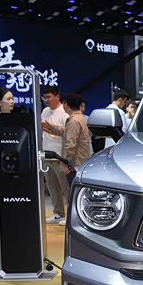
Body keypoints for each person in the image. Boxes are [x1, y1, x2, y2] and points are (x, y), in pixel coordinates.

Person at [59, 93, 91, 225]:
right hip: (81, 161)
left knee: (72, 192)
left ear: (66, 104)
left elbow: (70, 145)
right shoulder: (80, 118)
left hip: (75, 163)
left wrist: (66, 163)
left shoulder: (73, 121)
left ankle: (72, 219)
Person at [40, 86, 70, 223]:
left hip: (59, 155)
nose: (46, 100)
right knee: (52, 186)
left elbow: (66, 134)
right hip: (46, 154)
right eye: (44, 97)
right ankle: (58, 213)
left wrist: (50, 129)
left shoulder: (65, 112)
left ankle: (71, 215)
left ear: (57, 96)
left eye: (49, 97)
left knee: (65, 187)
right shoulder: (45, 111)